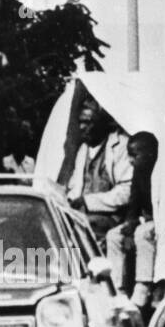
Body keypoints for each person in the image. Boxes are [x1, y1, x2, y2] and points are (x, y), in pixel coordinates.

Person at [65, 98, 133, 243]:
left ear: (103, 123)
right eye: (80, 122)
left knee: (79, 231)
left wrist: (88, 202)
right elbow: (74, 188)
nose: (82, 127)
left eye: (88, 122)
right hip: (81, 215)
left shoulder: (121, 146)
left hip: (110, 218)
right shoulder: (83, 149)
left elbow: (126, 192)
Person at [105, 131, 158, 306]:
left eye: (135, 155)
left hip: (162, 221)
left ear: (149, 154)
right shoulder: (139, 173)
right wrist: (130, 223)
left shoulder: (161, 174)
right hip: (148, 219)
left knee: (143, 234)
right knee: (114, 236)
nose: (130, 160)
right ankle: (117, 288)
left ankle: (143, 285)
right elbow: (134, 202)